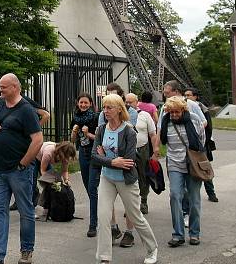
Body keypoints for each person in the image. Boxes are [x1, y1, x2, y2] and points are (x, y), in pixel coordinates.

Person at [0, 73, 43, 264]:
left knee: (25, 210)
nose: (0, 90)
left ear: (15, 87)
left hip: (19, 170)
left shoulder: (26, 110)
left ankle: (26, 251)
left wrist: (23, 163)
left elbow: (38, 140)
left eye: (3, 87)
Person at [92, 94, 158, 264]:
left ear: (119, 109)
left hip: (126, 179)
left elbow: (128, 162)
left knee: (136, 216)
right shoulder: (101, 129)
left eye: (109, 108)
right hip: (107, 178)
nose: (105, 111)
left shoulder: (129, 131)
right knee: (103, 217)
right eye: (104, 107)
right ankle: (104, 257)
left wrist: (105, 158)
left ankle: (152, 249)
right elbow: (94, 156)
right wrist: (112, 160)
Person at [160, 96, 205, 248]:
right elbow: (163, 140)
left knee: (194, 199)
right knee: (174, 195)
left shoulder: (193, 119)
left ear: (183, 110)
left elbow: (201, 139)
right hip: (174, 162)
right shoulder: (167, 120)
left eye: (176, 112)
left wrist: (192, 156)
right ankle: (178, 234)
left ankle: (194, 233)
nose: (173, 115)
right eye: (171, 112)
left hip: (192, 164)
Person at [69, 92, 100, 237]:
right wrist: (74, 132)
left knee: (92, 189)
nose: (83, 105)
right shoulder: (75, 118)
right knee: (88, 188)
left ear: (91, 104)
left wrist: (88, 134)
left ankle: (93, 224)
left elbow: (100, 139)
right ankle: (99, 211)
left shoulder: (95, 117)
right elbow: (73, 140)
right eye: (81, 102)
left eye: (86, 103)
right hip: (83, 153)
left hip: (94, 154)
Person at [184, 87, 217, 202]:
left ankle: (211, 193)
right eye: (185, 95)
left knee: (204, 167)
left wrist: (204, 143)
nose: (187, 97)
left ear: (195, 96)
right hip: (189, 144)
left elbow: (208, 127)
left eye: (189, 95)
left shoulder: (202, 108)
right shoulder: (184, 107)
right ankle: (191, 193)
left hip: (202, 144)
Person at [132, 93, 160, 215]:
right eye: (126, 102)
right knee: (130, 177)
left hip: (142, 149)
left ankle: (143, 201)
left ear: (136, 102)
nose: (128, 104)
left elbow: (153, 134)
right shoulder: (122, 115)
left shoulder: (144, 115)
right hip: (128, 151)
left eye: (130, 102)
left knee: (143, 175)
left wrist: (155, 149)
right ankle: (131, 204)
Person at [35, 141, 76, 220]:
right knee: (32, 185)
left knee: (56, 184)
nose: (68, 159)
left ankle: (50, 211)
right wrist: (50, 182)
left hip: (45, 159)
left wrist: (66, 180)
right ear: (62, 152)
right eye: (67, 156)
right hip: (35, 157)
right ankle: (31, 210)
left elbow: (64, 171)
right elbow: (43, 170)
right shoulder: (49, 153)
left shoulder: (65, 157)